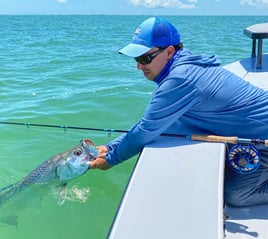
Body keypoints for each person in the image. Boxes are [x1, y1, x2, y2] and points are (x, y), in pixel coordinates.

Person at [89, 16, 268, 207]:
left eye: (144, 58)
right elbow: (155, 123)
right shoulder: (186, 66)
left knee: (236, 195)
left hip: (263, 144)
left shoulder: (180, 79)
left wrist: (111, 159)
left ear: (169, 51)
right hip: (252, 135)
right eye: (136, 58)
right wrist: (110, 147)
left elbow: (146, 131)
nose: (139, 66)